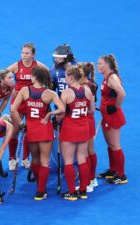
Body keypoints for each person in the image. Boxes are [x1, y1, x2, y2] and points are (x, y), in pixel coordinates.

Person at [11, 66, 65, 200]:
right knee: (45, 161)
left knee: (35, 159)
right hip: (44, 129)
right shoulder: (50, 93)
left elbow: (13, 109)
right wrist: (50, 114)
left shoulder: (24, 90)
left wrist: (21, 123)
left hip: (31, 129)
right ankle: (41, 191)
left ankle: (38, 183)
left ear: (34, 77)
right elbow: (62, 109)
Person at [7, 43, 48, 170]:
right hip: (18, 101)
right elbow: (3, 78)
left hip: (32, 102)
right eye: (22, 53)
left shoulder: (39, 67)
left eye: (27, 53)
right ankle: (12, 158)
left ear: (33, 55)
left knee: (30, 130)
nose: (24, 56)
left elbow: (48, 80)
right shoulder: (16, 66)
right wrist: (11, 89)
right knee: (15, 130)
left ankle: (25, 158)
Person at [57, 65, 95, 201]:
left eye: (66, 76)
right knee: (82, 158)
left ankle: (72, 192)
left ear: (71, 77)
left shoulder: (66, 93)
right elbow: (91, 110)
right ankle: (83, 190)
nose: (65, 78)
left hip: (69, 129)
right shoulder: (88, 90)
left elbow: (61, 114)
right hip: (83, 127)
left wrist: (57, 119)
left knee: (68, 160)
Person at [97, 54, 127, 184]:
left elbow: (122, 93)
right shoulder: (106, 77)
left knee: (115, 144)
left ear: (107, 65)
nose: (98, 66)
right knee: (109, 143)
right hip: (106, 115)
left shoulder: (112, 78)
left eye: (100, 63)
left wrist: (116, 107)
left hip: (113, 116)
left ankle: (121, 175)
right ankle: (113, 169)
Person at [79, 62, 99, 192]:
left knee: (86, 151)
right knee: (89, 150)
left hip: (85, 120)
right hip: (89, 119)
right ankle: (91, 179)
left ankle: (87, 182)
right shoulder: (91, 84)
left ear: (82, 73)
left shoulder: (85, 87)